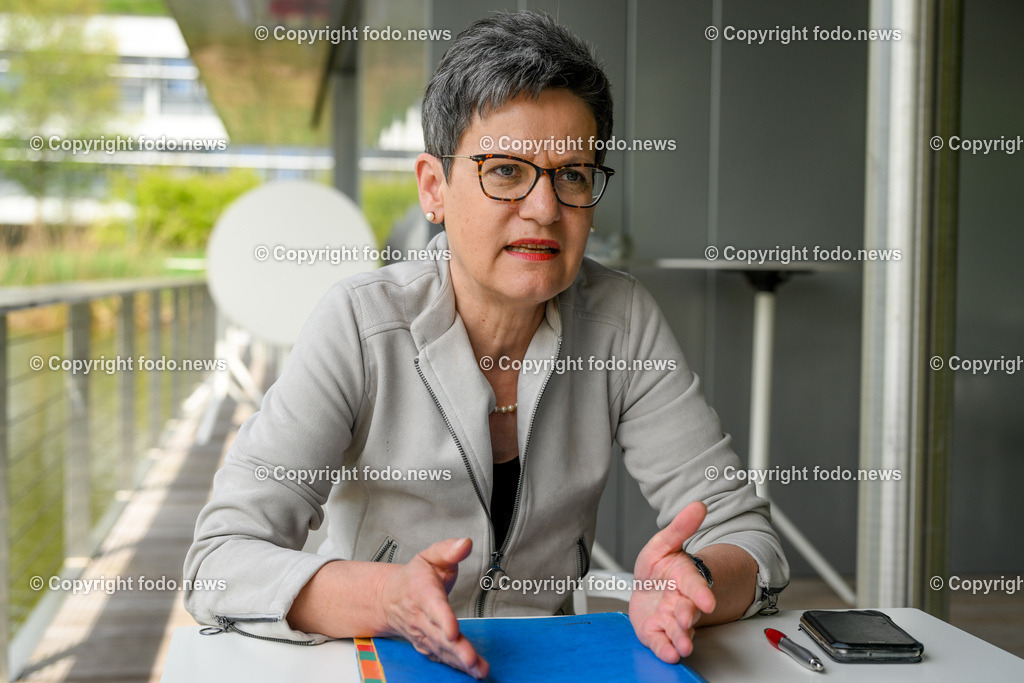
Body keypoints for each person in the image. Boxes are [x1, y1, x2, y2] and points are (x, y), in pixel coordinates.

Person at [184, 10, 788, 679]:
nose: (545, 208)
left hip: (554, 663)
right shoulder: (361, 323)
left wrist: (692, 579)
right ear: (434, 188)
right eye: (505, 171)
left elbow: (746, 535)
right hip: (381, 657)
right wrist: (386, 597)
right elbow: (221, 558)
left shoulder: (621, 321)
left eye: (574, 175)